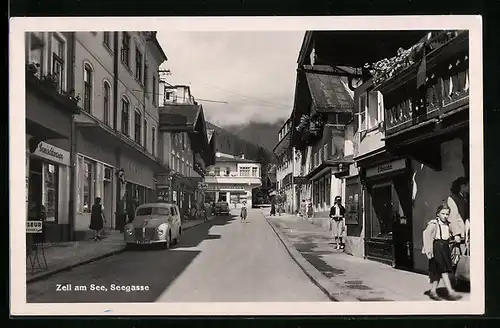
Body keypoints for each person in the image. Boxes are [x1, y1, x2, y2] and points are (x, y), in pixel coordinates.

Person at [422, 203, 462, 301]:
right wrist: (429, 250)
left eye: (447, 214)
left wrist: (457, 235)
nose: (445, 216)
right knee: (444, 271)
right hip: (437, 248)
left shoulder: (448, 224)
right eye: (443, 214)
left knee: (437, 272)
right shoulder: (434, 223)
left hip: (445, 248)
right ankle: (450, 292)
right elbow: (426, 235)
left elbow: (454, 231)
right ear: (438, 213)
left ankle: (433, 291)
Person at [447, 177, 470, 253]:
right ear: (462, 186)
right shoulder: (453, 198)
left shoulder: (464, 198)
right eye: (468, 186)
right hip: (459, 234)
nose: (469, 188)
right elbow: (453, 217)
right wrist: (456, 234)